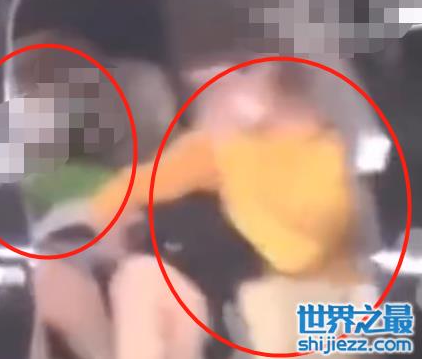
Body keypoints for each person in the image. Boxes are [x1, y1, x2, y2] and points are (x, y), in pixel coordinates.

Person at [91, 56, 379, 358]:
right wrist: (106, 223)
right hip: (244, 308)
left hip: (321, 311)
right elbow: (135, 186)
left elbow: (297, 253)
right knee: (139, 278)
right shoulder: (230, 144)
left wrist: (232, 153)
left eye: (246, 74)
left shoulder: (329, 153)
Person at [15, 29, 210, 359]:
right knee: (53, 280)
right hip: (68, 262)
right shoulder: (29, 174)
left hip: (132, 255)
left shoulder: (150, 166)